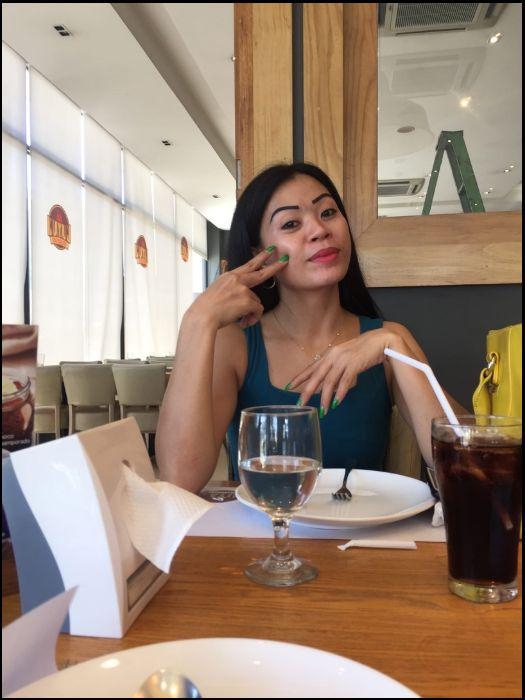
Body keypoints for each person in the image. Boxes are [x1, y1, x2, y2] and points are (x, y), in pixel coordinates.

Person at [156, 162, 464, 493]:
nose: (319, 229)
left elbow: (464, 467)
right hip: (264, 525)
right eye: (291, 223)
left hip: (361, 527)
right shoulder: (236, 344)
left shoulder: (389, 339)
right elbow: (179, 478)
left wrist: (396, 346)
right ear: (260, 254)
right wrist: (198, 320)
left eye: (328, 212)